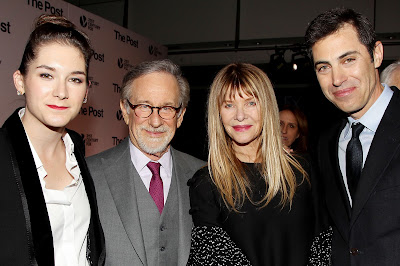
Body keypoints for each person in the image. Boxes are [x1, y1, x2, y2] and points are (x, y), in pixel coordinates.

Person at [187, 63, 324, 266]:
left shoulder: (302, 171)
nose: (240, 115)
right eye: (229, 105)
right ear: (218, 113)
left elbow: (322, 245)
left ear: (267, 107)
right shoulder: (207, 183)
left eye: (251, 103)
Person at [0, 14, 105, 265]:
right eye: (47, 75)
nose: (61, 92)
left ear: (86, 91)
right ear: (20, 81)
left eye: (75, 79)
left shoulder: (77, 150)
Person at [305, 7, 400, 265]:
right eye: (324, 67)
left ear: (376, 54)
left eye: (348, 60)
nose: (337, 79)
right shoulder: (326, 143)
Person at [86, 59, 204, 266]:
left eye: (167, 108)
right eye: (144, 106)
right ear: (125, 110)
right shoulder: (89, 175)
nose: (156, 121)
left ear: (181, 115)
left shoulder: (204, 176)